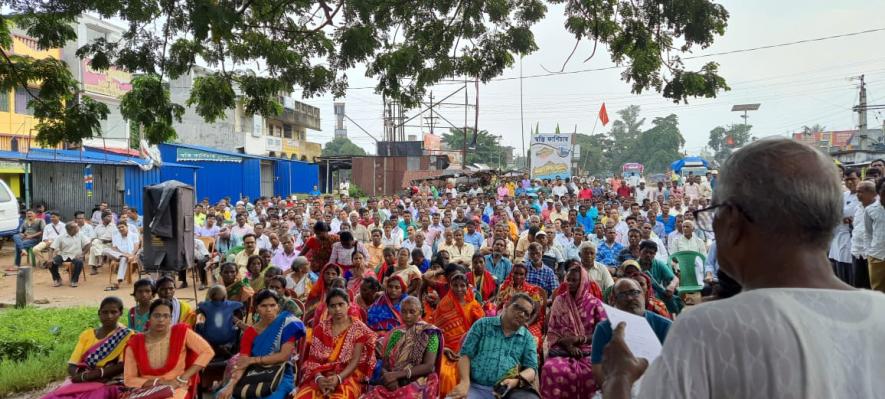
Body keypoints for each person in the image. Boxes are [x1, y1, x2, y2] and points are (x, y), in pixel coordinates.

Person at [600, 137, 885, 399]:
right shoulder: (879, 314)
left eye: (711, 215)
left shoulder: (706, 327)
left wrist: (618, 380)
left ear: (732, 221)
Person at [216, 290, 306, 399]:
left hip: (281, 373)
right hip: (253, 373)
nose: (269, 310)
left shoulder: (287, 324)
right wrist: (230, 386)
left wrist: (253, 360)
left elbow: (283, 356)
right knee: (223, 395)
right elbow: (243, 362)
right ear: (257, 308)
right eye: (264, 306)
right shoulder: (250, 332)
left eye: (273, 305)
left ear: (278, 307)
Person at [448, 293, 539, 399]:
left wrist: (515, 381)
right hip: (474, 387)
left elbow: (532, 369)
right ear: (506, 305)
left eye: (526, 313)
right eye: (518, 307)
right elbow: (465, 355)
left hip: (507, 392)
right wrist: (464, 382)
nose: (522, 314)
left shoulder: (527, 338)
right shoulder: (482, 325)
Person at [43, 297, 134, 399]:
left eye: (114, 312)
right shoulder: (87, 335)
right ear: (99, 313)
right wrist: (82, 376)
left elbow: (121, 366)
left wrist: (95, 375)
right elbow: (72, 364)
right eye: (105, 312)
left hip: (108, 381)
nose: (109, 316)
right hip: (83, 378)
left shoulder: (125, 335)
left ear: (120, 313)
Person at [123, 299, 214, 399]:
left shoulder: (181, 332)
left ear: (171, 318)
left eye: (166, 316)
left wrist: (182, 378)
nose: (161, 319)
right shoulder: (135, 342)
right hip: (147, 390)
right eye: (157, 315)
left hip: (176, 389)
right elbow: (129, 379)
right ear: (149, 317)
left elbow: (207, 351)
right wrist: (159, 382)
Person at [296, 289, 377, 399]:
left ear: (348, 305)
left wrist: (338, 378)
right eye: (333, 306)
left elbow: (355, 361)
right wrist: (319, 378)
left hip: (347, 375)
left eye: (341, 304)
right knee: (303, 396)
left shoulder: (359, 329)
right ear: (328, 308)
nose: (337, 309)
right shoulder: (321, 328)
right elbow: (314, 359)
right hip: (321, 374)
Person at [541, 266, 608, 397]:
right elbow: (553, 330)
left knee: (594, 372)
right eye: (568, 279)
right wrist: (567, 344)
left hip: (590, 348)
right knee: (551, 369)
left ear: (583, 281)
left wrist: (579, 339)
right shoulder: (560, 300)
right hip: (562, 347)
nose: (570, 283)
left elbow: (604, 334)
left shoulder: (595, 304)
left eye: (574, 280)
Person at [591, 277, 671, 387]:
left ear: (643, 294)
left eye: (634, 292)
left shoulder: (665, 326)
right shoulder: (604, 329)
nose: (629, 298)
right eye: (622, 295)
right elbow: (597, 367)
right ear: (614, 300)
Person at [363, 296, 442, 399]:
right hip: (394, 381)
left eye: (412, 312)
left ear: (420, 312)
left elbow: (429, 366)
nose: (407, 316)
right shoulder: (396, 334)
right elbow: (385, 363)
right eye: (404, 311)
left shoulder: (430, 333)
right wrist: (389, 377)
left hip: (419, 380)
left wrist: (398, 375)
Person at [430, 272, 485, 397]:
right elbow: (437, 332)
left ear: (467, 287)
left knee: (466, 373)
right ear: (450, 286)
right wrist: (444, 349)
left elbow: (481, 332)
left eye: (462, 285)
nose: (459, 289)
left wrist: (467, 349)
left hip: (470, 349)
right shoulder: (443, 305)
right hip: (447, 348)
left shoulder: (474, 305)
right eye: (455, 285)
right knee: (445, 373)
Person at [495, 263, 547, 351]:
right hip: (507, 320)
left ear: (525, 275)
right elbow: (499, 307)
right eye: (516, 273)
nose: (518, 276)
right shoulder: (505, 288)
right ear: (512, 273)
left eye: (521, 274)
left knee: (531, 339)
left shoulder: (532, 290)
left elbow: (537, 312)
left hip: (529, 322)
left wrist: (527, 323)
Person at [47, 222, 90, 288]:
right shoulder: (61, 236)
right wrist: (50, 258)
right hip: (63, 255)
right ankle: (57, 279)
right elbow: (51, 248)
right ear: (69, 230)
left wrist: (83, 254)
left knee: (79, 262)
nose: (78, 228)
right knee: (51, 263)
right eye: (76, 228)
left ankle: (74, 280)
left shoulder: (80, 234)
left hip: (76, 255)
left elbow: (88, 244)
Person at [103, 221, 141, 291]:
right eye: (119, 228)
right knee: (105, 250)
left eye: (122, 227)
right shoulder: (116, 236)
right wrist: (123, 254)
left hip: (130, 256)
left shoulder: (134, 235)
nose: (121, 229)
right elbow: (115, 248)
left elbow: (136, 246)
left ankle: (119, 281)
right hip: (118, 255)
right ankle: (124, 256)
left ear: (127, 227)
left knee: (123, 259)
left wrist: (132, 255)